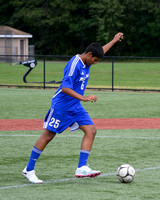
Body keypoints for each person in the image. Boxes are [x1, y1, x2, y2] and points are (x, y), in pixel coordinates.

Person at [22, 32, 124, 184]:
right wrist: (84, 98)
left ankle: (82, 167)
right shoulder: (74, 64)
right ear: (88, 54)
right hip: (62, 106)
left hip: (75, 106)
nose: (95, 63)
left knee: (91, 130)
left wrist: (114, 40)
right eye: (95, 60)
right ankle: (29, 170)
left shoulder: (88, 59)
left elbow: (101, 50)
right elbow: (65, 88)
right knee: (48, 136)